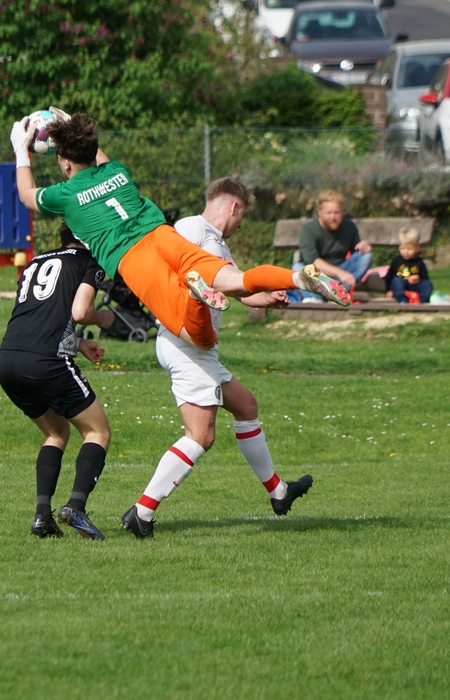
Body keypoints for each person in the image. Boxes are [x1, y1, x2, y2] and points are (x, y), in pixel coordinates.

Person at [11, 109, 350, 347]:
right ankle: (296, 278)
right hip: (163, 234)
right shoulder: (116, 170)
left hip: (132, 258)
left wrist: (20, 150)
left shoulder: (65, 194)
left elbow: (27, 195)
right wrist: (73, 127)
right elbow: (96, 156)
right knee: (234, 278)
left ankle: (195, 298)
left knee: (199, 338)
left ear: (64, 161)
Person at [121, 178, 313, 539]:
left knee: (246, 406)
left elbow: (237, 286)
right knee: (200, 436)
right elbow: (176, 271)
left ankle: (279, 492)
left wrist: (266, 297)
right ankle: (141, 512)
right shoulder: (192, 227)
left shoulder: (218, 243)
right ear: (234, 206)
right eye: (242, 216)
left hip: (199, 349)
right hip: (187, 345)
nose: (240, 224)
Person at [0, 223, 116, 540]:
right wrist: (101, 318)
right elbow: (80, 311)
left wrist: (78, 343)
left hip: (8, 359)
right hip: (46, 362)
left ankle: (42, 516)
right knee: (98, 431)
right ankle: (75, 506)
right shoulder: (89, 261)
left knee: (56, 432)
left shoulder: (36, 261)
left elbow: (39, 318)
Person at [293, 189, 372, 301]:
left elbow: (356, 252)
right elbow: (313, 262)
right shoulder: (308, 231)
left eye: (336, 213)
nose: (333, 217)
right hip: (316, 276)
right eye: (328, 213)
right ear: (320, 212)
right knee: (297, 268)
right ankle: (314, 298)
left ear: (342, 212)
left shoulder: (349, 227)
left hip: (339, 275)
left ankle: (338, 293)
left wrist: (363, 247)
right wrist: (340, 273)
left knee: (366, 257)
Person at [385, 227, 432, 304]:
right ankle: (403, 301)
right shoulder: (396, 261)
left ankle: (422, 301)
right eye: (402, 248)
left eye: (409, 249)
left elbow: (425, 278)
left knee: (427, 284)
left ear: (417, 248)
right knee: (397, 280)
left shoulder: (419, 262)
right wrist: (389, 290)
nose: (406, 252)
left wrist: (418, 280)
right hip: (402, 288)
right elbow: (389, 277)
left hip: (415, 287)